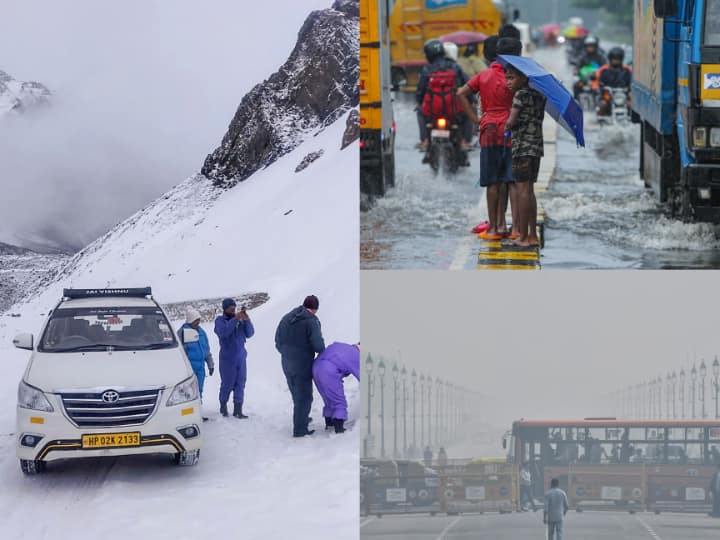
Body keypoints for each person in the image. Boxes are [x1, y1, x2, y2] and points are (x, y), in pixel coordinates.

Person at [457, 35, 514, 240]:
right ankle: (502, 223)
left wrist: (476, 119)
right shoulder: (513, 77)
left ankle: (493, 228)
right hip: (509, 129)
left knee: (492, 181)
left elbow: (461, 94)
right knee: (507, 180)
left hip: (488, 128)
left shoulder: (483, 76)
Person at [505, 61, 546, 247]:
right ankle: (532, 236)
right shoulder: (540, 95)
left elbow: (512, 121)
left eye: (512, 78)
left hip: (522, 148)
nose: (508, 82)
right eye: (507, 78)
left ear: (523, 78)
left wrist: (506, 125)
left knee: (522, 192)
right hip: (536, 148)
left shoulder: (520, 95)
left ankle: (522, 237)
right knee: (529, 192)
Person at [275, 295, 326, 437]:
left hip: (286, 363)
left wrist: (287, 353)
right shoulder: (311, 321)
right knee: (304, 397)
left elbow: (277, 341)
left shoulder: (286, 318)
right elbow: (318, 345)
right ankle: (300, 429)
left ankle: (301, 418)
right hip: (302, 364)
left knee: (296, 393)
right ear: (315, 309)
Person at [416, 39, 469, 151]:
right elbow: (467, 85)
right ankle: (464, 140)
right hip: (453, 109)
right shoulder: (455, 67)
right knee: (469, 112)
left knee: (419, 112)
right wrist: (470, 100)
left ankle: (425, 140)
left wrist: (419, 103)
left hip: (432, 110)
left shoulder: (427, 69)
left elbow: (420, 90)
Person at [214, 298, 254, 419]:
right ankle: (223, 405)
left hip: (241, 357)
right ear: (225, 309)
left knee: (240, 382)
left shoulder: (240, 321)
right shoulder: (220, 321)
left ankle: (238, 409)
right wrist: (235, 319)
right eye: (230, 308)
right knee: (227, 383)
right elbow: (223, 332)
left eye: (234, 308)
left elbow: (250, 333)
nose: (233, 310)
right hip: (227, 358)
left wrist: (247, 320)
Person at [312, 342, 359, 434]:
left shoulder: (345, 347)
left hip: (315, 367)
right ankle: (339, 428)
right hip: (327, 370)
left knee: (328, 399)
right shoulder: (357, 355)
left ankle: (329, 423)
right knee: (338, 400)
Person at [177, 308, 214, 420]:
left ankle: (198, 414)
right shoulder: (181, 333)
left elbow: (206, 350)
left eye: (198, 320)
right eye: (196, 320)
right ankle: (187, 416)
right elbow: (178, 352)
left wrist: (210, 364)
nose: (198, 323)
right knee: (188, 393)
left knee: (199, 391)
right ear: (190, 320)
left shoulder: (201, 332)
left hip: (200, 368)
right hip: (189, 369)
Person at [595, 47, 632, 115]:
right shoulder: (604, 70)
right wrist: (600, 87)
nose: (616, 60)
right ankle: (601, 120)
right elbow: (599, 83)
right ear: (610, 59)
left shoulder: (627, 71)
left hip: (623, 96)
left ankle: (632, 119)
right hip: (608, 97)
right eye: (614, 58)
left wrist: (629, 89)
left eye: (618, 59)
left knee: (631, 106)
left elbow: (631, 83)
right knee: (602, 105)